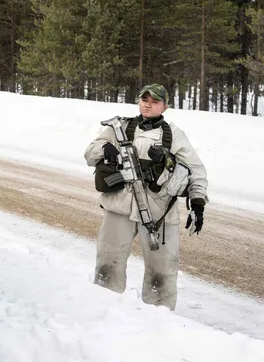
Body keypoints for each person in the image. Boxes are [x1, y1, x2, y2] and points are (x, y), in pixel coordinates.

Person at [83, 83, 209, 310]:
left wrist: (198, 203)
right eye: (145, 100)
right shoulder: (120, 127)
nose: (148, 105)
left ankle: (159, 318)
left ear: (165, 106)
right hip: (119, 207)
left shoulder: (173, 135)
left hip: (158, 212)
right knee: (107, 263)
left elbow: (196, 172)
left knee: (162, 272)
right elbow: (90, 154)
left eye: (155, 102)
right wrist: (104, 149)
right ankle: (102, 310)